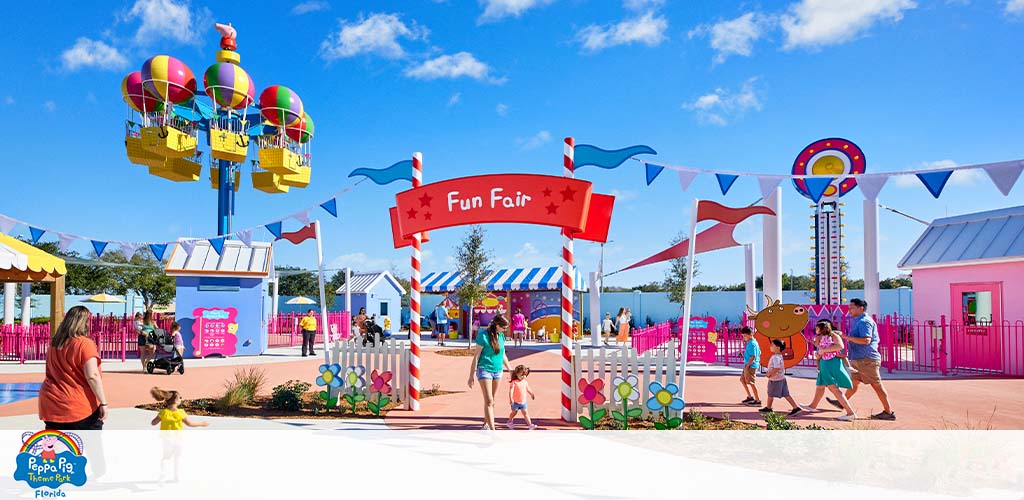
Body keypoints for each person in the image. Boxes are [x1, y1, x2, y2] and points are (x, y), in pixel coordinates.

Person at [38, 306, 109, 430]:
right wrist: (103, 402)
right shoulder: (84, 344)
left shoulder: (55, 344)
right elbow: (92, 375)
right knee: (92, 445)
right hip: (78, 406)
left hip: (51, 403)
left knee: (57, 446)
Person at [830, 298, 896, 420]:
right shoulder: (858, 321)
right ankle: (841, 402)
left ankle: (888, 412)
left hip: (866, 359)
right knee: (853, 383)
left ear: (861, 308)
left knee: (876, 385)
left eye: (852, 307)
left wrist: (844, 336)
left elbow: (866, 340)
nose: (849, 309)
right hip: (860, 359)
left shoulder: (864, 322)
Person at [467, 314, 512, 431]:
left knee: (492, 400)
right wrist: (471, 375)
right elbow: (476, 356)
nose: (505, 330)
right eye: (504, 327)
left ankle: (485, 424)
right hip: (484, 369)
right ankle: (493, 430)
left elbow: (503, 355)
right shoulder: (483, 335)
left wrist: (510, 369)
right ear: (497, 325)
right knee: (489, 401)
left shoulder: (501, 336)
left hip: (498, 371)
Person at [807, 320, 856, 421]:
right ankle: (812, 406)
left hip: (831, 363)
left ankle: (850, 412)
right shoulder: (820, 337)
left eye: (817, 328)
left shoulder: (833, 335)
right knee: (820, 386)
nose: (816, 330)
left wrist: (823, 351)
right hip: (824, 362)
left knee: (833, 388)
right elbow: (819, 347)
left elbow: (840, 346)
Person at [759, 339, 804, 416]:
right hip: (781, 378)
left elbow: (777, 368)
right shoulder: (779, 356)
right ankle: (795, 408)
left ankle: (769, 408)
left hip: (775, 379)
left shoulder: (775, 357)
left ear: (778, 347)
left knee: (770, 393)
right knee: (786, 394)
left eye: (772, 345)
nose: (770, 346)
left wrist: (769, 374)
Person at [506, 365, 537, 430]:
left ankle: (530, 425)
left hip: (523, 402)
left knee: (525, 413)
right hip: (515, 402)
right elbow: (511, 391)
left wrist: (531, 394)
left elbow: (528, 388)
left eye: (524, 375)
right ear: (517, 374)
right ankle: (509, 421)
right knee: (514, 412)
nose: (523, 377)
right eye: (521, 375)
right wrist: (511, 399)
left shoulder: (525, 382)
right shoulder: (514, 382)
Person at [739, 327, 761, 406]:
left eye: (745, 336)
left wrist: (747, 366)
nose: (743, 337)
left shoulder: (752, 344)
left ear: (750, 334)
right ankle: (750, 396)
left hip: (750, 366)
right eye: (743, 336)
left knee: (751, 383)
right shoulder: (751, 342)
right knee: (742, 380)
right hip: (748, 365)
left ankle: (757, 400)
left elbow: (753, 356)